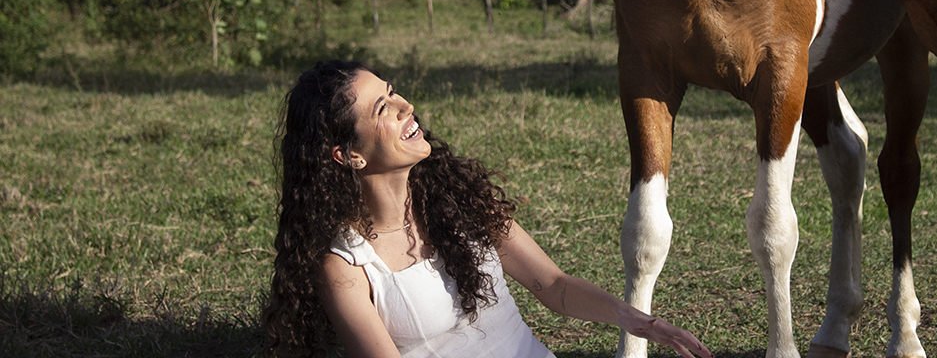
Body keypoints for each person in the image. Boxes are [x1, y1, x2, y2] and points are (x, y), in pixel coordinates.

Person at [263, 60, 712, 358]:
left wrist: (640, 321)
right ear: (348, 155)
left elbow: (553, 285)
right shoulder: (345, 265)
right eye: (384, 107)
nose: (407, 107)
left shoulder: (455, 198)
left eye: (395, 92)